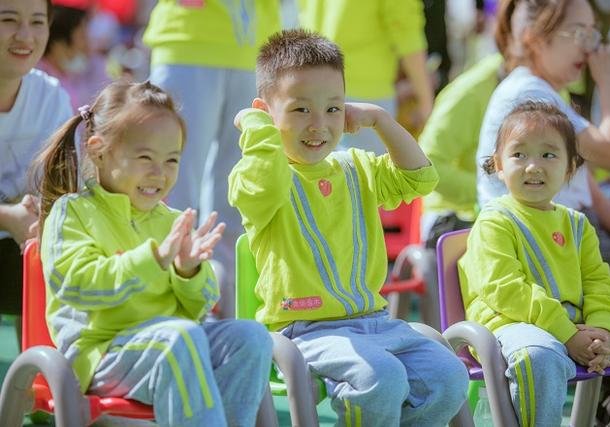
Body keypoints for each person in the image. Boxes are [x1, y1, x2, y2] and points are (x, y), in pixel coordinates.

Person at [228, 29, 468, 426]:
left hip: (374, 322)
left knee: (448, 376)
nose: (319, 124)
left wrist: (380, 119)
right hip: (303, 330)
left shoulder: (355, 166)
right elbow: (262, 186)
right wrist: (257, 127)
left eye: (333, 108)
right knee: (380, 377)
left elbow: (421, 180)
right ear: (266, 112)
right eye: (301, 110)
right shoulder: (259, 173)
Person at [35, 80, 273, 427]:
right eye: (145, 157)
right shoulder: (72, 213)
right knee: (180, 338)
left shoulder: (172, 221)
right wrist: (154, 260)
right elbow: (77, 286)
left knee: (250, 338)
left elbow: (202, 305)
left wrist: (187, 271)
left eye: (171, 160)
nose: (159, 173)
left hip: (171, 347)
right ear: (99, 151)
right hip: (100, 354)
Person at [459, 101, 610, 427]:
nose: (533, 166)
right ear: (498, 165)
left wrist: (601, 328)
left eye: (548, 155)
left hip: (579, 325)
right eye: (519, 155)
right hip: (512, 326)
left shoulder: (577, 224)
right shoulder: (495, 220)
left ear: (571, 167)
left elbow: (599, 281)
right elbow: (506, 290)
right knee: (539, 357)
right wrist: (567, 334)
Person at [476, 0, 610, 311]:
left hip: (563, 236)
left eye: (593, 34)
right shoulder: (530, 95)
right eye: (578, 34)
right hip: (538, 246)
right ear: (536, 37)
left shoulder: (548, 92)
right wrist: (609, 82)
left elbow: (588, 190)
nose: (589, 49)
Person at [143, 1, 281, 318]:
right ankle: (160, 308)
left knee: (240, 193)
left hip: (257, 50)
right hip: (187, 41)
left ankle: (231, 316)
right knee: (169, 185)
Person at [0, 0, 72, 318]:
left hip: (25, 240)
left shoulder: (51, 98)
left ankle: (40, 367)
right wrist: (8, 217)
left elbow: (65, 187)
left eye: (38, 21)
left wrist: (37, 217)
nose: (25, 35)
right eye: (9, 20)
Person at [297, 0, 433, 154]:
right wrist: (426, 102)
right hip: (368, 98)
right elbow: (408, 37)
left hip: (316, 88)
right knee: (367, 176)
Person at [37, 3, 111, 110]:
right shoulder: (39, 78)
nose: (86, 42)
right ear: (59, 42)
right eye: (81, 35)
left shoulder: (75, 72)